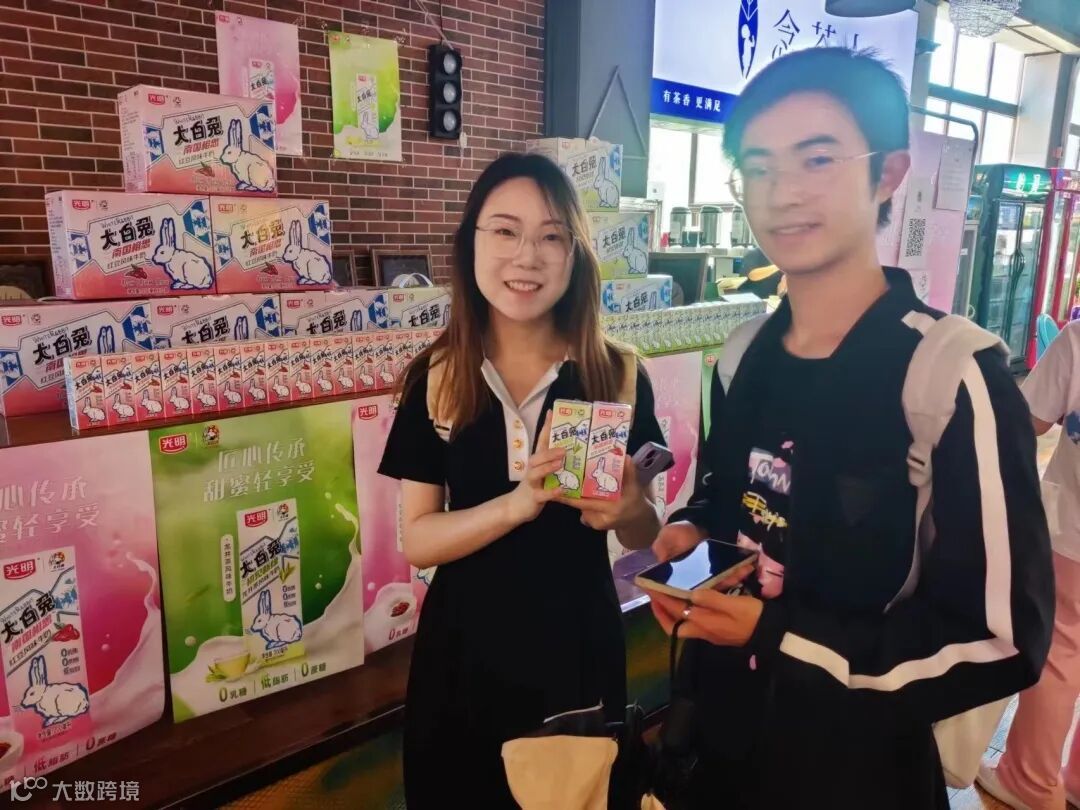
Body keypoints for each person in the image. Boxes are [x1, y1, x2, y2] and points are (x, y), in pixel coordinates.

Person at [647, 48, 1054, 809]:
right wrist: (692, 531)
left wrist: (773, 636)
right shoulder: (744, 355)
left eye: (818, 159)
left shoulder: (950, 375)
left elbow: (1002, 638)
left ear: (888, 173)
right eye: (759, 167)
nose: (783, 193)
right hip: (717, 750)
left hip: (855, 770)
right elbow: (729, 493)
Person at [378, 153, 666, 808]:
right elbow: (418, 540)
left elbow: (646, 532)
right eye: (505, 231)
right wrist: (517, 504)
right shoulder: (437, 378)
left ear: (576, 254)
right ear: (471, 244)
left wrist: (629, 508)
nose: (526, 257)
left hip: (576, 652)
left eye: (551, 236)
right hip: (461, 658)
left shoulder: (619, 375)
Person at [977, 321, 1080, 810]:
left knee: (1060, 649)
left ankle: (1031, 780)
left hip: (1073, 534)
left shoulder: (1078, 340)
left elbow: (1026, 421)